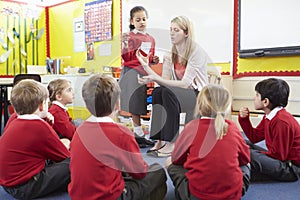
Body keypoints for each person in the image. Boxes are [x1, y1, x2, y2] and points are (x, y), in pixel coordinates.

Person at [68, 74, 167, 200]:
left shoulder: (79, 131)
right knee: (157, 171)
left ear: (87, 106)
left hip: (78, 196)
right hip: (110, 196)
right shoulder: (121, 133)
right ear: (117, 105)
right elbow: (140, 172)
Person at [136, 16, 209, 156]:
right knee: (158, 92)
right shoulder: (170, 54)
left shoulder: (195, 52)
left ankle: (172, 142)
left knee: (167, 93)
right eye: (170, 29)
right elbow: (164, 81)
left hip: (198, 95)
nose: (171, 33)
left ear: (186, 33)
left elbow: (186, 83)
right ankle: (159, 140)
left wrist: (153, 77)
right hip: (181, 94)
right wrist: (145, 66)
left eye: (176, 30)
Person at [165, 84, 251, 200]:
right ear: (226, 107)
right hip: (232, 195)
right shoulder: (232, 127)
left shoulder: (191, 127)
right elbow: (245, 159)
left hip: (195, 196)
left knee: (169, 161)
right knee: (246, 165)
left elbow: (176, 159)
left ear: (199, 107)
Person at [0, 79, 70, 199]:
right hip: (25, 187)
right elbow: (64, 156)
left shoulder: (13, 118)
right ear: (42, 105)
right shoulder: (38, 126)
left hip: (8, 184)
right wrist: (66, 144)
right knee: (73, 163)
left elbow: (33, 142)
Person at [238, 78, 300, 182]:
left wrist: (255, 153)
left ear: (265, 102)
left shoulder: (281, 121)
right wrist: (244, 120)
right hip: (278, 157)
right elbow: (254, 137)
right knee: (243, 143)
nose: (254, 98)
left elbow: (280, 155)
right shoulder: (270, 116)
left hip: (290, 168)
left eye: (257, 95)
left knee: (248, 152)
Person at [119, 6, 159, 148]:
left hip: (144, 73)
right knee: (135, 105)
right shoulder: (129, 37)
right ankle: (138, 135)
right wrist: (124, 44)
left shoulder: (151, 38)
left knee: (141, 104)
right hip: (131, 72)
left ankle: (139, 135)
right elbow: (126, 57)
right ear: (132, 21)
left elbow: (148, 58)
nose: (141, 22)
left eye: (143, 19)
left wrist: (153, 59)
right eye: (138, 20)